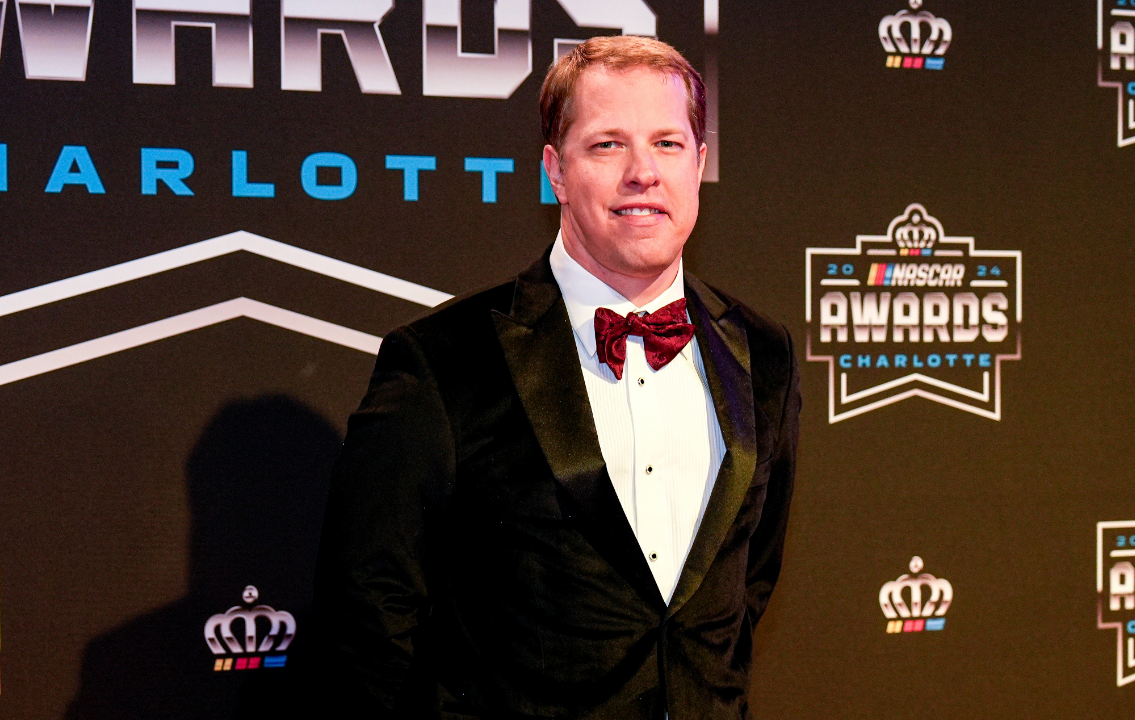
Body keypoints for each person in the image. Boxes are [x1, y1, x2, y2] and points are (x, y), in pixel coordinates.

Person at [312, 36, 800, 720]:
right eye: (607, 145)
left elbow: (747, 585)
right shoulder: (443, 361)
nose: (643, 173)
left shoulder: (764, 352)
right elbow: (367, 623)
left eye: (667, 143)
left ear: (699, 164)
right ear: (556, 172)